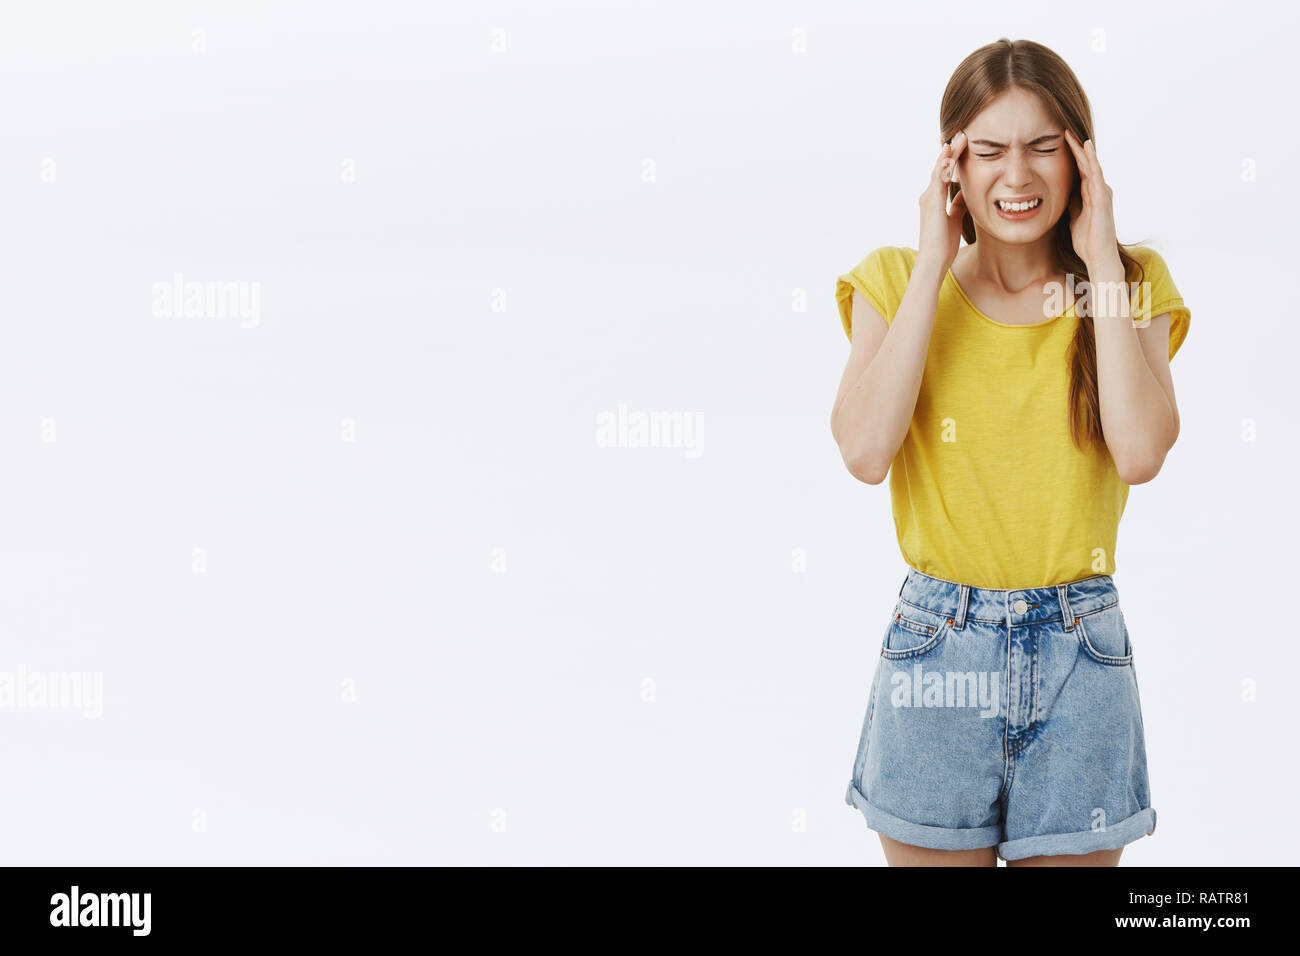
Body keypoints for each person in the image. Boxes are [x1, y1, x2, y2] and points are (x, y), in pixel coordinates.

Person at [829, 38, 1190, 867]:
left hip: (1081, 655)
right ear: (952, 163)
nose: (1017, 176)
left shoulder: (1130, 284)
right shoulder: (893, 280)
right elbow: (863, 450)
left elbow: (1139, 452)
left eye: (1042, 148)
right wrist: (932, 261)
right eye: (989, 150)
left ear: (1082, 160)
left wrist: (1099, 255)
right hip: (935, 652)